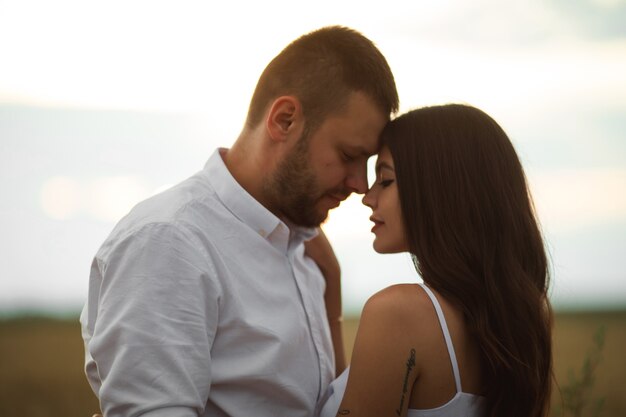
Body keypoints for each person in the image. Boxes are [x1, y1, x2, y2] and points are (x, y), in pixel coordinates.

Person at [80, 26, 398, 417]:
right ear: (284, 120)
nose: (358, 184)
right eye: (349, 154)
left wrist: (331, 285)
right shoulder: (170, 241)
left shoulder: (301, 248)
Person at [316, 104, 553, 417]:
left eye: (385, 180)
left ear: (439, 189)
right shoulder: (527, 314)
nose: (367, 196)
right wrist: (331, 279)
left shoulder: (400, 312)